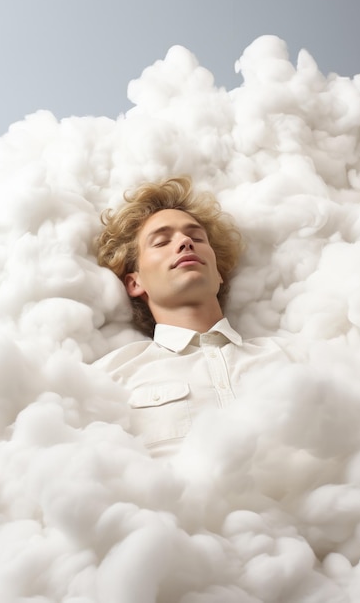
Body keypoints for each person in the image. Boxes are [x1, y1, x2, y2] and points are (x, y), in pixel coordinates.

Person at [94, 176, 291, 458]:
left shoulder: (288, 357)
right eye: (161, 241)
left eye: (197, 237)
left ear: (219, 273)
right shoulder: (110, 378)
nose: (185, 242)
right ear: (134, 282)